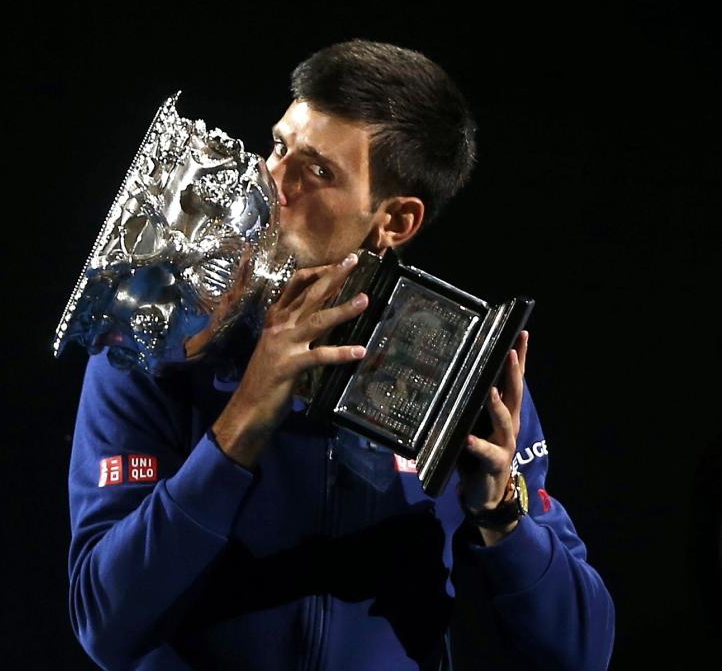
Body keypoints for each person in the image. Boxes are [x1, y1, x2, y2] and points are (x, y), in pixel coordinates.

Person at [65, 40, 614, 670]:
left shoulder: (460, 379)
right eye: (279, 146)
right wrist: (239, 425)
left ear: (396, 220)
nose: (274, 183)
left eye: (319, 171)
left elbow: (583, 654)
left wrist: (501, 513)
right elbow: (104, 624)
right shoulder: (155, 346)